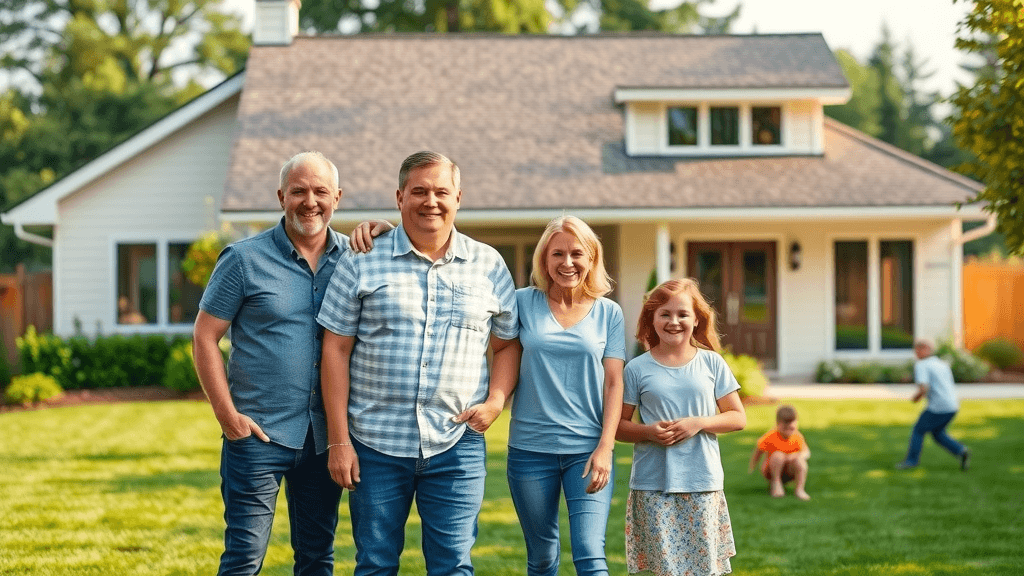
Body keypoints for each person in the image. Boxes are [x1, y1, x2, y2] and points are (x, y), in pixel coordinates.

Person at [317, 150, 520, 576]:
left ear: (458, 198)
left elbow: (506, 346)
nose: (431, 201)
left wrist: (497, 400)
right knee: (374, 565)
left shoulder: (488, 265)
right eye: (419, 191)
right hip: (373, 443)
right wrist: (339, 441)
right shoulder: (363, 258)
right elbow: (334, 350)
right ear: (399, 197)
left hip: (457, 441)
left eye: (441, 191)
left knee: (453, 566)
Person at [193, 150, 384, 575]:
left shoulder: (358, 258)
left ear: (337, 196)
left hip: (325, 440)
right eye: (299, 191)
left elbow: (403, 250)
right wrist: (228, 417)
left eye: (320, 191)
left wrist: (385, 228)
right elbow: (205, 337)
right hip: (257, 435)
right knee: (244, 558)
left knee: (317, 557)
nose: (310, 201)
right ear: (281, 196)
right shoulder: (243, 260)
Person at [506, 216, 625, 576]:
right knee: (542, 558)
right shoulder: (520, 302)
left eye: (577, 254)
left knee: (590, 555)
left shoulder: (609, 313)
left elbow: (614, 384)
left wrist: (606, 446)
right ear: (544, 259)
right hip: (529, 450)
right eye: (557, 253)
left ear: (591, 259)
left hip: (587, 452)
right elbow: (504, 355)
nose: (567, 263)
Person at [616, 278, 746, 576]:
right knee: (664, 569)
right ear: (651, 318)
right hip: (653, 485)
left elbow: (738, 417)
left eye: (682, 314)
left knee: (703, 569)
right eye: (665, 314)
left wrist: (698, 423)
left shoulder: (711, 363)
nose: (674, 321)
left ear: (696, 318)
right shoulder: (637, 369)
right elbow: (618, 426)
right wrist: (648, 431)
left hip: (701, 483)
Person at [896, 338, 971, 471]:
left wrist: (915, 398)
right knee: (937, 433)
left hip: (938, 407)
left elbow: (924, 388)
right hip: (952, 406)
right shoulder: (941, 364)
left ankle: (911, 461)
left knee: (918, 430)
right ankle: (961, 451)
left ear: (924, 349)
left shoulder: (922, 365)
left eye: (917, 350)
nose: (916, 353)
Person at [748, 404, 811, 500]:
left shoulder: (797, 437)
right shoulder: (771, 436)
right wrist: (752, 467)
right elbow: (758, 450)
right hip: (771, 471)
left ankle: (799, 489)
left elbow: (806, 453)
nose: (788, 432)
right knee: (778, 455)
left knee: (800, 460)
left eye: (791, 428)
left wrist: (795, 456)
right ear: (777, 424)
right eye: (785, 428)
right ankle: (776, 484)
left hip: (790, 471)